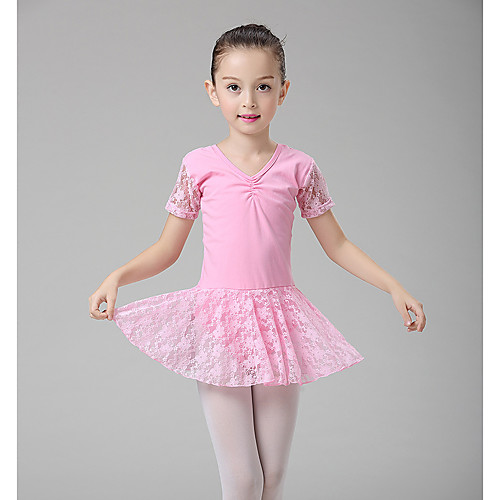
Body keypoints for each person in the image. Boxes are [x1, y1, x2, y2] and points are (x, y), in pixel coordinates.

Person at [88, 23, 426, 500]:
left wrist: (395, 286)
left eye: (263, 87)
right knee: (243, 478)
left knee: (273, 475)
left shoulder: (299, 167)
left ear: (282, 91)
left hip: (278, 324)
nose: (248, 101)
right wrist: (117, 277)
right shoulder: (198, 165)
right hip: (218, 325)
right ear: (213, 92)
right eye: (233, 87)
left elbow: (337, 245)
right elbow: (167, 248)